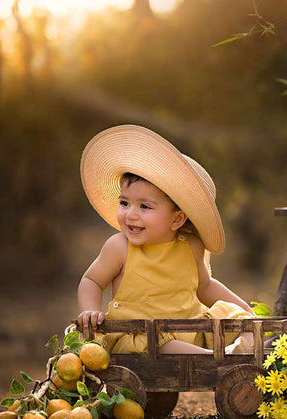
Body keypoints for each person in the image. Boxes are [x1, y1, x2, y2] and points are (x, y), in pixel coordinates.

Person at [75, 124, 254, 354]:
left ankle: (240, 348)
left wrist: (245, 312)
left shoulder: (191, 245)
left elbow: (205, 285)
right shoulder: (119, 247)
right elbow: (92, 281)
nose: (130, 214)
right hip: (143, 340)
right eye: (124, 203)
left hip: (189, 332)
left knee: (237, 318)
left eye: (144, 206)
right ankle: (214, 358)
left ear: (177, 220)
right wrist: (89, 311)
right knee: (159, 341)